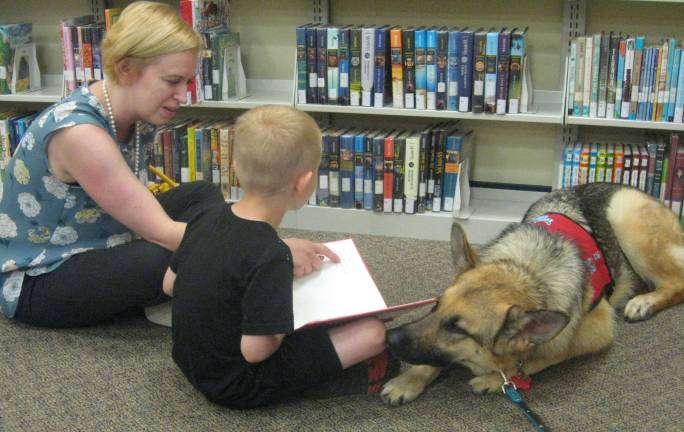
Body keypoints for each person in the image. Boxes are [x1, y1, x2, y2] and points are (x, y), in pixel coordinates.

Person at [0, 1, 336, 327]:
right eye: (172, 81)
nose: (183, 95)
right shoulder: (81, 134)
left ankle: (201, 280)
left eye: (187, 82)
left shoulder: (130, 109)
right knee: (162, 258)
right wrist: (273, 254)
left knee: (200, 195)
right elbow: (159, 231)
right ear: (126, 69)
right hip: (41, 277)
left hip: (104, 234)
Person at [166, 105, 397, 409]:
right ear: (304, 183)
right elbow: (255, 351)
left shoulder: (206, 216)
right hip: (238, 384)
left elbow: (170, 284)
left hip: (188, 360)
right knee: (372, 333)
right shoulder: (271, 255)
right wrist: (283, 331)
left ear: (235, 166)